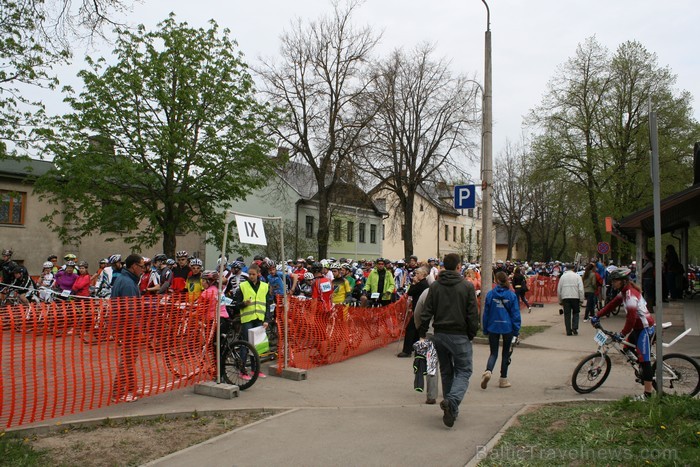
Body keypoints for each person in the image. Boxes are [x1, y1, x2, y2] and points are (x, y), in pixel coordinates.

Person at [418, 253, 479, 428]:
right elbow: (472, 313)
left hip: (440, 334)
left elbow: (427, 311)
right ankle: (452, 401)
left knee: (446, 371)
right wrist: (471, 333)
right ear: (459, 266)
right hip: (459, 334)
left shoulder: (435, 286)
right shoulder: (466, 286)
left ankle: (451, 409)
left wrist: (423, 331)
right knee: (464, 370)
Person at [591, 267, 656, 400]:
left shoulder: (630, 295)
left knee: (645, 360)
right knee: (626, 348)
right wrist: (597, 315)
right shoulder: (624, 292)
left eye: (615, 281)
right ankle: (642, 371)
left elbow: (631, 319)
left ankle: (648, 394)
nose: (613, 283)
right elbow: (612, 305)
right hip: (638, 329)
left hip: (645, 329)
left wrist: (622, 334)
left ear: (623, 281)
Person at [110, 254, 146, 402]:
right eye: (142, 266)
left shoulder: (125, 280)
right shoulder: (128, 284)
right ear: (134, 266)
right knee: (127, 359)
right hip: (128, 327)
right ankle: (118, 392)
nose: (143, 269)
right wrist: (137, 329)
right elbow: (130, 310)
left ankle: (131, 388)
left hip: (122, 326)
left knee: (130, 358)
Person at [481, 271, 521, 389]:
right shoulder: (511, 295)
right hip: (507, 327)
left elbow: (486, 313)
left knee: (493, 353)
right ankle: (503, 379)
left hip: (493, 326)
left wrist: (485, 328)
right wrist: (516, 330)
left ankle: (488, 371)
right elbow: (515, 314)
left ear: (496, 280)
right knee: (506, 353)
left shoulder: (490, 294)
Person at [233, 263, 270, 379]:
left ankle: (255, 370)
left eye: (253, 274)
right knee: (246, 344)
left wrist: (267, 319)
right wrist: (244, 304)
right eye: (249, 274)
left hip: (259, 319)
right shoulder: (243, 286)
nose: (251, 276)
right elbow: (235, 304)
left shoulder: (265, 286)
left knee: (257, 345)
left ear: (258, 274)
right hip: (247, 319)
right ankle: (242, 371)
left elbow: (268, 304)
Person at [398, 266, 429, 358]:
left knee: (410, 329)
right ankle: (414, 348)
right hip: (418, 309)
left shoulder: (422, 284)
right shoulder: (423, 283)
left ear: (423, 274)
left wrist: (414, 283)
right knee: (416, 330)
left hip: (419, 310)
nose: (416, 275)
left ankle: (407, 351)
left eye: (418, 273)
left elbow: (410, 292)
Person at [557, 266, 585, 336]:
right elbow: (581, 289)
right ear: (573, 269)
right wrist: (581, 299)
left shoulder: (563, 277)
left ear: (566, 269)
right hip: (575, 297)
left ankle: (568, 330)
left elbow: (559, 290)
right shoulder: (577, 276)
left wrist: (560, 300)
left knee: (567, 314)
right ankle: (575, 328)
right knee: (576, 313)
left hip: (565, 297)